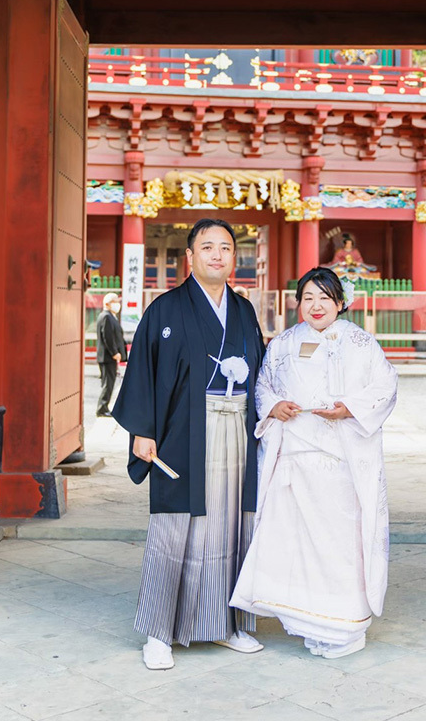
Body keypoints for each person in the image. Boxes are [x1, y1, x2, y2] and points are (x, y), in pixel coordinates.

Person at [112, 218, 265, 671]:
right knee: (175, 528)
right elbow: (143, 368)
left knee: (234, 525)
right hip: (183, 430)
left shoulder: (243, 310)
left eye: (225, 248)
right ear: (191, 257)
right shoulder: (165, 309)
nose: (217, 255)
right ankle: (160, 632)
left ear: (234, 258)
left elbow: (263, 373)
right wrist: (143, 429)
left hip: (237, 426)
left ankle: (229, 624)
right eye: (208, 247)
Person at [231, 266, 397, 660]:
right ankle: (304, 619)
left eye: (325, 297)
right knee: (298, 542)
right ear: (298, 303)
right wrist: (275, 405)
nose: (316, 305)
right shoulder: (284, 343)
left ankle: (343, 623)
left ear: (340, 302)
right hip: (295, 459)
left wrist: (350, 409)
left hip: (341, 464)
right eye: (308, 297)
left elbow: (386, 385)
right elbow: (263, 385)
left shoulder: (362, 343)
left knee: (339, 543)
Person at [95, 291, 128, 417]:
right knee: (108, 383)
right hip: (107, 356)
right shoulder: (106, 317)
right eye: (115, 302)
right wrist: (114, 353)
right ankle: (102, 408)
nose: (117, 304)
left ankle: (104, 406)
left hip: (109, 356)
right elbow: (107, 337)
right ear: (108, 304)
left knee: (110, 382)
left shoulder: (110, 316)